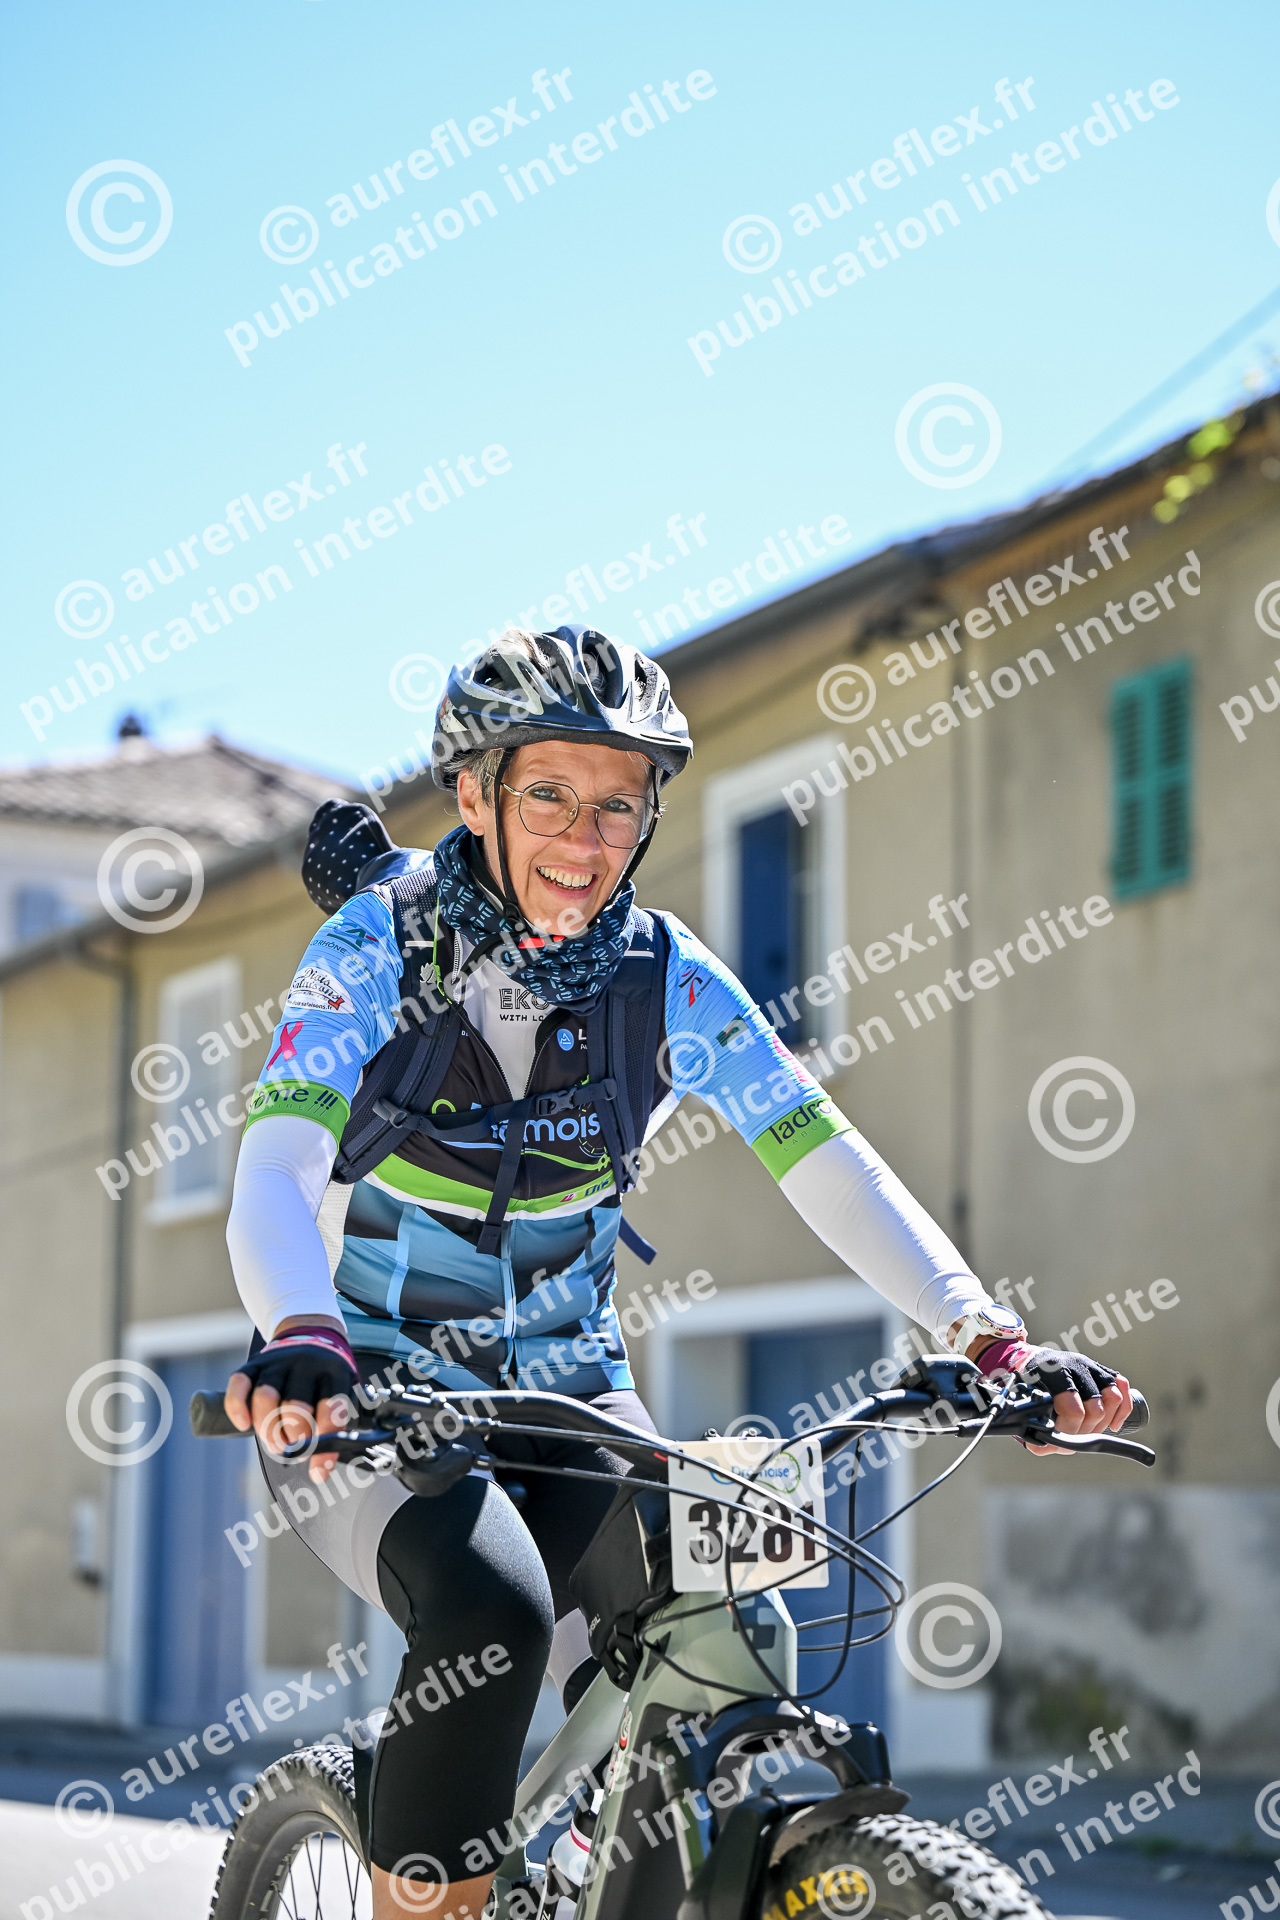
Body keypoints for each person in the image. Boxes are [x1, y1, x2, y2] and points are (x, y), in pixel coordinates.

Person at [224, 624, 1132, 1920]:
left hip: (574, 1397)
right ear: (474, 795)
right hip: (373, 1391)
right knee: (490, 1613)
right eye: (549, 795)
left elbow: (825, 1158)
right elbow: (274, 1169)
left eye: (620, 803)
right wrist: (303, 1336)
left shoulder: (664, 976)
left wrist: (986, 1337)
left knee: (725, 1620)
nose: (586, 840)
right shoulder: (378, 947)